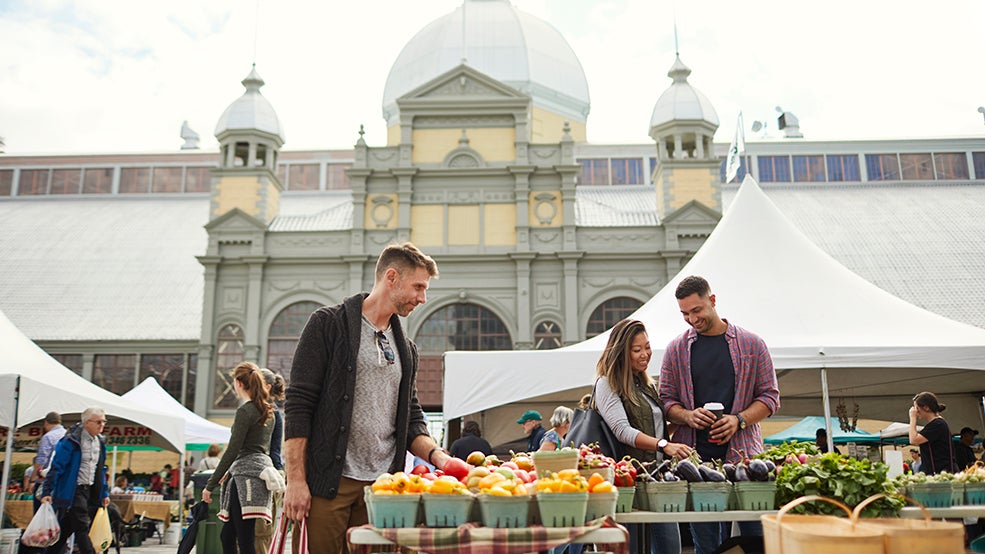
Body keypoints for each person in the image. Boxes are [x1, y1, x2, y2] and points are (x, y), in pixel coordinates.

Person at [283, 242, 450, 553]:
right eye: (418, 287)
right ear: (391, 277)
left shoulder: (407, 348)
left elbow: (412, 417)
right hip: (329, 483)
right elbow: (298, 404)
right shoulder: (327, 325)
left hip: (385, 489)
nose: (422, 298)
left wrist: (439, 457)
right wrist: (295, 480)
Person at [659, 276, 780, 554]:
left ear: (712, 301)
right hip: (696, 461)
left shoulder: (752, 344)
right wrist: (687, 416)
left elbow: (770, 397)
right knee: (706, 544)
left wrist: (739, 420)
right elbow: (666, 402)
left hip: (746, 459)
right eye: (684, 314)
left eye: (696, 310)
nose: (691, 319)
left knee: (754, 538)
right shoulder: (676, 350)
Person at [596, 319, 691, 554]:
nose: (645, 354)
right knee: (633, 548)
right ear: (620, 352)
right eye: (637, 350)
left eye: (647, 347)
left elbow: (653, 430)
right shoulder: (607, 384)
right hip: (627, 484)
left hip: (657, 482)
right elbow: (622, 430)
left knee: (671, 548)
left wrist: (683, 422)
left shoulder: (645, 385)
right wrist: (663, 444)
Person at [202, 361, 276, 554]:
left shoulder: (245, 411)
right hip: (257, 475)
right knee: (231, 536)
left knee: (243, 538)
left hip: (244, 478)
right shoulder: (268, 412)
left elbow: (233, 450)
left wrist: (210, 484)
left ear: (239, 383)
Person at [40, 406, 111, 554]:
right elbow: (57, 466)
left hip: (90, 489)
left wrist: (104, 493)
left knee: (68, 527)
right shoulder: (71, 440)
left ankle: (50, 553)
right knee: (82, 526)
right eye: (98, 422)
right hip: (74, 489)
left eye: (104, 422)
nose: (102, 425)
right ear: (86, 422)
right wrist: (47, 490)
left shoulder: (100, 441)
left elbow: (100, 469)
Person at [256, 367, 286, 554]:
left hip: (268, 474)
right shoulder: (257, 410)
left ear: (266, 387)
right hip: (270, 471)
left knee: (261, 531)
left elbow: (272, 450)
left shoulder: (271, 413)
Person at [908, 391, 955, 474]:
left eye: (917, 408)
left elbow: (913, 440)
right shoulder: (937, 423)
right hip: (939, 472)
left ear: (926, 407)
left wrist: (912, 417)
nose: (916, 411)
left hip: (941, 473)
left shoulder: (937, 424)